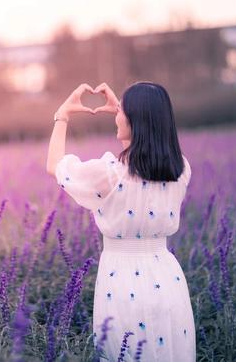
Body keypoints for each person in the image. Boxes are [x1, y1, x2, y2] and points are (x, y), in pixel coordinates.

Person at [46, 81, 195, 361]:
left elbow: (55, 165)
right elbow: (146, 145)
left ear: (134, 120)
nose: (116, 115)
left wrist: (62, 115)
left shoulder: (110, 174)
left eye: (121, 112)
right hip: (167, 278)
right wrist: (126, 112)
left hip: (122, 281)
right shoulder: (181, 169)